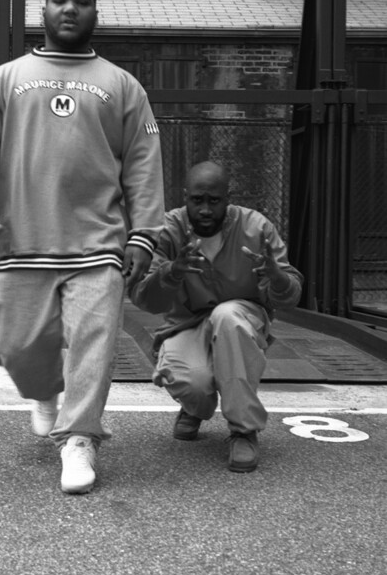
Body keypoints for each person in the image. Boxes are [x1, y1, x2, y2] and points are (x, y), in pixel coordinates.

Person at [0, 0, 165, 494]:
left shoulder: (123, 85)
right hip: (18, 243)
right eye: (60, 0)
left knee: (93, 346)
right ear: (44, 10)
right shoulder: (4, 79)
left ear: (95, 12)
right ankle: (43, 392)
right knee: (17, 343)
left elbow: (143, 164)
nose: (70, 9)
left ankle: (79, 440)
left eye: (81, 1)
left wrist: (144, 234)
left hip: (97, 244)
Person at [129, 161, 303, 473]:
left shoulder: (257, 228)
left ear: (228, 198)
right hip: (187, 323)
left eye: (214, 201)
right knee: (193, 384)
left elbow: (291, 296)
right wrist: (170, 272)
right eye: (197, 200)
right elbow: (143, 298)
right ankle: (194, 407)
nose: (206, 210)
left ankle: (243, 431)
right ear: (185, 197)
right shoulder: (168, 230)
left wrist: (276, 276)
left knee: (227, 316)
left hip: (242, 318)